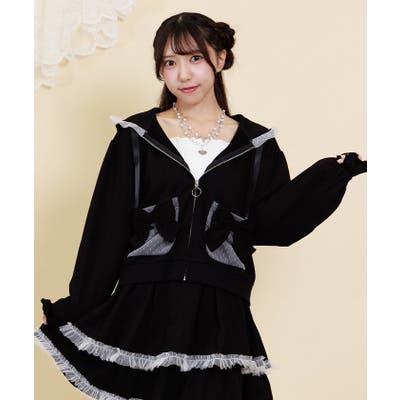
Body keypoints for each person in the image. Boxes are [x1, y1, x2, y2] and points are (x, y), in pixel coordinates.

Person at [35, 11, 367, 400]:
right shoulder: (136, 137)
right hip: (146, 310)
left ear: (220, 58)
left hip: (219, 313)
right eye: (169, 63)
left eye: (195, 58)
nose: (183, 74)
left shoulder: (257, 146)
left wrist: (331, 175)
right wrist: (78, 306)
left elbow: (274, 224)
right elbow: (106, 229)